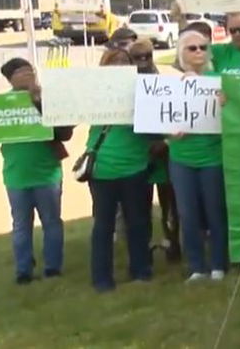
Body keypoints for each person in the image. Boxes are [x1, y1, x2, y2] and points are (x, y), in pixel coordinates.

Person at [0, 58, 72, 284]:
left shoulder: (48, 100)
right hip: (16, 175)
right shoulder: (1, 104)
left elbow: (64, 133)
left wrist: (38, 102)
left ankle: (53, 267)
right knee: (21, 225)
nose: (28, 75)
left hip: (47, 173)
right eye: (22, 72)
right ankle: (23, 270)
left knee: (52, 222)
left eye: (30, 71)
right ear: (10, 78)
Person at [88, 48, 159, 292]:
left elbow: (154, 129)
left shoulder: (142, 90)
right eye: (113, 63)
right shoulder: (93, 92)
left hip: (135, 166)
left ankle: (141, 270)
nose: (119, 66)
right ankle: (101, 278)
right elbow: (64, 120)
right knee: (103, 226)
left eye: (124, 62)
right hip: (102, 169)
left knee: (137, 223)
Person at [166, 30, 229, 282]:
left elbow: (236, 118)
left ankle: (218, 264)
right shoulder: (171, 84)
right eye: (192, 48)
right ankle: (196, 266)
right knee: (187, 214)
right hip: (181, 158)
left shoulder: (219, 81)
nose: (198, 52)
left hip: (213, 156)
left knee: (215, 212)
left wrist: (225, 104)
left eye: (203, 47)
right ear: (182, 53)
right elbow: (161, 119)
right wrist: (169, 133)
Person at [128, 39, 181, 263]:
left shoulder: (166, 80)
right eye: (137, 58)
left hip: (165, 151)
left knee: (170, 205)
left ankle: (173, 243)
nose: (143, 62)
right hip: (139, 152)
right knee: (140, 207)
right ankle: (145, 247)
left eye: (147, 56)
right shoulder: (126, 85)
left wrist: (166, 143)